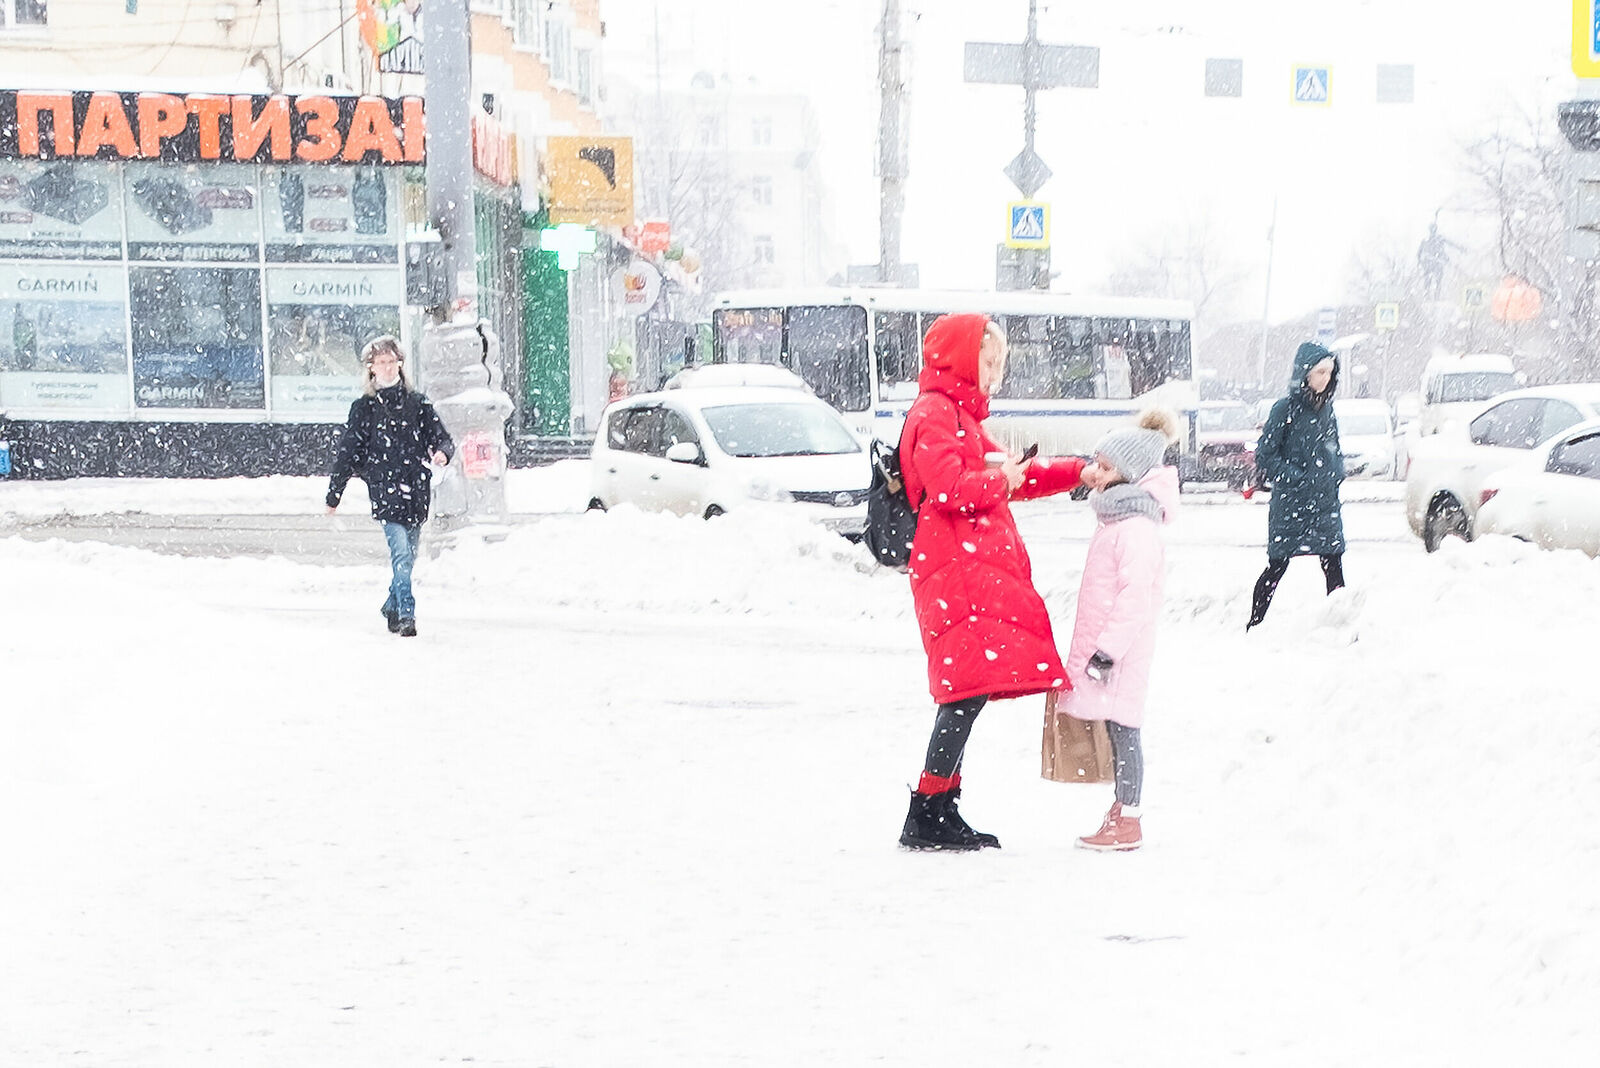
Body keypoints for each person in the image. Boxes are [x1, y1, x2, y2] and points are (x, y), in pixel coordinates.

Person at [896, 313, 1095, 851]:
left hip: (967, 569)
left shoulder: (959, 415)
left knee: (968, 691)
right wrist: (998, 479)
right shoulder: (934, 413)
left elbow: (1013, 478)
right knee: (964, 693)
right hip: (952, 569)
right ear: (962, 360)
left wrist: (1077, 472)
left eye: (999, 365)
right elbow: (947, 488)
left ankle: (940, 808)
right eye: (988, 363)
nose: (995, 375)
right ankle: (928, 812)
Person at [1058, 410, 1181, 852]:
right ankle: (1122, 808)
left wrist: (1107, 652)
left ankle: (1129, 819)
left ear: (1129, 474)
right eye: (1097, 463)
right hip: (1111, 649)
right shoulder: (1117, 521)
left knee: (1126, 728)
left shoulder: (1135, 529)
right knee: (1117, 727)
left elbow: (1135, 599)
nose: (1097, 473)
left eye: (1106, 467)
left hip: (1121, 654)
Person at [325, 335, 455, 637]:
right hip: (385, 490)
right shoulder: (365, 408)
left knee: (408, 557)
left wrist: (442, 453)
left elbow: (442, 437)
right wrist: (334, 494)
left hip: (416, 490)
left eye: (391, 361)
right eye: (380, 362)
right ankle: (407, 614)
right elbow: (348, 452)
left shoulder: (417, 403)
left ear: (400, 365)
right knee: (401, 555)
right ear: (371, 368)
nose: (386, 367)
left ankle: (391, 605)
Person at [1246, 341, 1345, 631]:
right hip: (1292, 504)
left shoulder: (1327, 409)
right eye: (1320, 372)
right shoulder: (1284, 409)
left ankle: (1341, 626)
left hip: (1325, 503)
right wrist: (1295, 477)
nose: (1325, 378)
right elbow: (1265, 454)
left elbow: (1334, 447)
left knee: (1333, 563)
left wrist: (1336, 473)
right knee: (1277, 565)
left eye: (1329, 372)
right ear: (1305, 373)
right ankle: (1255, 624)